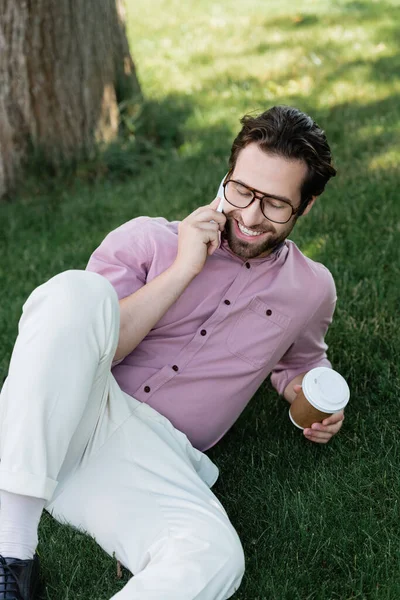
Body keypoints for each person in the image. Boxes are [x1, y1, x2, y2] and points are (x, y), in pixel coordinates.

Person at [0, 105, 344, 600]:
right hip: (68, 411)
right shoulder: (147, 240)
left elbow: (303, 360)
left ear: (305, 206)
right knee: (76, 293)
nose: (249, 216)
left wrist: (303, 392)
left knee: (215, 557)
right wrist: (183, 268)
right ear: (225, 178)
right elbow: (91, 340)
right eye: (242, 190)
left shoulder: (311, 289)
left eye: (275, 204)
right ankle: (12, 552)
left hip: (150, 458)